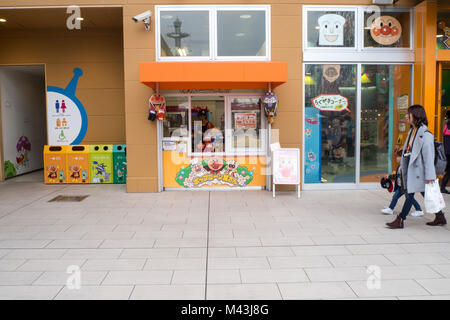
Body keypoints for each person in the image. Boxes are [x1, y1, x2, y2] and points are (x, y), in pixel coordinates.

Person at [387, 105, 447, 229]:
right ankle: (440, 217)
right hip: (412, 169)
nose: (406, 116)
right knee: (424, 193)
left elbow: (429, 157)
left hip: (420, 171)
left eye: (408, 114)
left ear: (416, 115)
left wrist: (430, 176)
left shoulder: (426, 134)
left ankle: (400, 220)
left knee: (409, 194)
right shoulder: (411, 131)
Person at [381, 150, 423, 216]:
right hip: (401, 186)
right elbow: (397, 176)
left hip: (406, 187)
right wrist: (389, 176)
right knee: (395, 197)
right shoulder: (399, 167)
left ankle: (419, 210)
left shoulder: (406, 167)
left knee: (410, 199)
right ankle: (390, 208)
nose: (396, 158)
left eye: (398, 156)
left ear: (402, 157)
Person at [440, 110, 450, 194]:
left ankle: (442, 186)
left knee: (448, 170)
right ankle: (442, 187)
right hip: (449, 151)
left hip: (447, 151)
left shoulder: (446, 125)